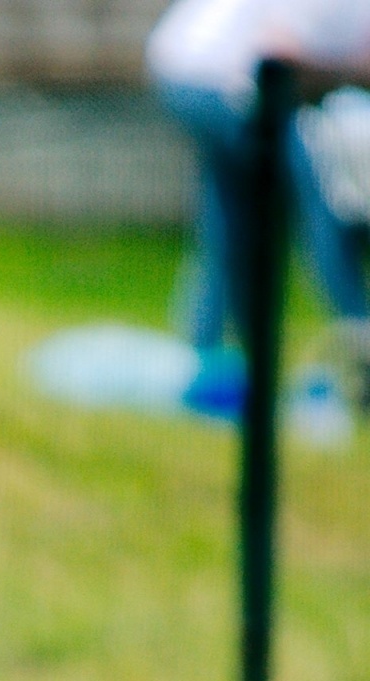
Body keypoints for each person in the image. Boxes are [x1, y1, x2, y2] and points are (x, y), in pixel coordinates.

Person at [147, 0, 370, 391]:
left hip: (187, 68)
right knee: (316, 195)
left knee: (232, 212)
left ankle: (204, 346)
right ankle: (357, 329)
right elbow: (278, 46)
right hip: (211, 78)